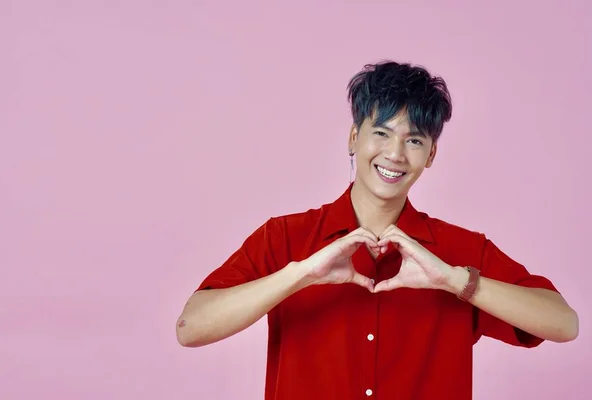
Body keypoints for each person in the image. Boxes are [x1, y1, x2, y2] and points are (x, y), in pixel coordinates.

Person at [176, 61, 579, 400]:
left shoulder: (460, 249)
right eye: (382, 133)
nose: (395, 154)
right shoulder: (284, 237)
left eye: (414, 140)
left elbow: (564, 323)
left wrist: (455, 281)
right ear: (355, 138)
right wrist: (299, 276)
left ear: (431, 155)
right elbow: (191, 328)